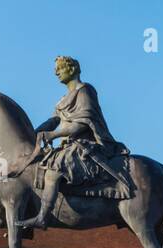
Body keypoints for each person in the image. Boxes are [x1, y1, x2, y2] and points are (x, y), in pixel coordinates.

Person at [17, 55, 133, 231]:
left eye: (60, 67)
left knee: (53, 171)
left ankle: (42, 217)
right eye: (55, 68)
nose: (56, 72)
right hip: (68, 146)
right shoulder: (62, 100)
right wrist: (31, 134)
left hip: (84, 146)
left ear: (72, 69)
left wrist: (52, 135)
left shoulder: (85, 91)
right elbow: (53, 120)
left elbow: (82, 123)